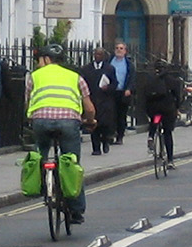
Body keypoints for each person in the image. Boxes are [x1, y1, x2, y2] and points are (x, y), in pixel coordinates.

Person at [26, 43, 96, 223]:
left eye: (40, 59)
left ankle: (41, 185)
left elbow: (28, 102)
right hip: (69, 122)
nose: (39, 63)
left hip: (40, 120)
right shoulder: (75, 77)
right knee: (71, 163)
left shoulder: (34, 76)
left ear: (47, 59)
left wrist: (30, 118)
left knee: (39, 154)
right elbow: (89, 107)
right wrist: (90, 121)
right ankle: (76, 210)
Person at [141, 59, 183, 165]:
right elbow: (178, 97)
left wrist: (147, 110)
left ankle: (151, 136)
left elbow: (144, 96)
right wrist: (177, 108)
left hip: (155, 110)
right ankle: (170, 160)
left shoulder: (150, 79)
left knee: (155, 120)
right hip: (167, 110)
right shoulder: (172, 80)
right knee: (167, 133)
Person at [98, 40, 135, 147]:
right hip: (110, 91)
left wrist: (129, 89)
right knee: (109, 114)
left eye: (121, 48)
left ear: (125, 51)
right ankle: (110, 135)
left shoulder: (129, 64)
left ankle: (120, 136)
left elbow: (132, 78)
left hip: (122, 92)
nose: (119, 50)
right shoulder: (109, 62)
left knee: (121, 115)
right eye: (117, 48)